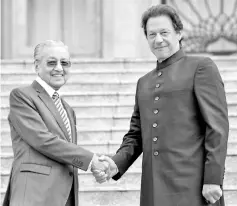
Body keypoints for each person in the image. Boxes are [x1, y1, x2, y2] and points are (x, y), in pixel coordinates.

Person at [93, 4, 229, 206]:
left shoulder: (201, 67)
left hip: (192, 185)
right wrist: (116, 163)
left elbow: (217, 128)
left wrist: (213, 179)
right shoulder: (144, 82)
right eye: (151, 34)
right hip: (154, 187)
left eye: (164, 32)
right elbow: (136, 135)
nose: (158, 39)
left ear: (179, 33)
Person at [3, 40, 109, 206]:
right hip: (34, 195)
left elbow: (67, 153)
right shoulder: (22, 96)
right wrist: (91, 160)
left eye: (64, 63)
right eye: (52, 62)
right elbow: (42, 140)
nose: (59, 68)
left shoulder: (67, 109)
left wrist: (99, 167)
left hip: (64, 197)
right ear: (37, 66)